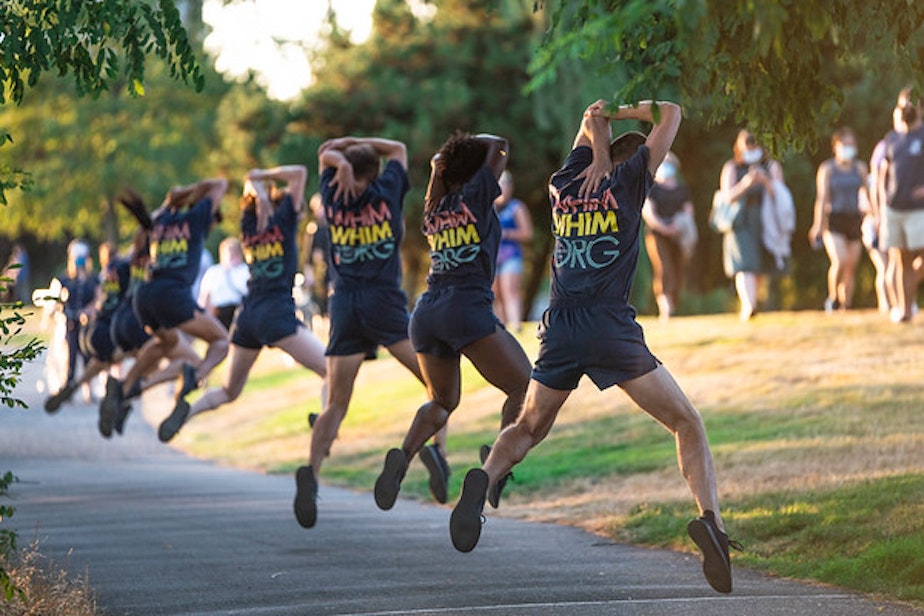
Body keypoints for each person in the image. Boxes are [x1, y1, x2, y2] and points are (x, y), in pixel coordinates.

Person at [448, 99, 738, 595]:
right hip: (610, 328)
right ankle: (710, 521)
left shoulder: (562, 186)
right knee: (686, 422)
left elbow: (588, 116)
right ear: (637, 161)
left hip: (560, 326)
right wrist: (625, 116)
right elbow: (671, 112)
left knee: (529, 426)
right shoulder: (630, 183)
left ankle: (486, 476)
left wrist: (599, 136)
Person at [373, 131, 531, 514]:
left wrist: (449, 154)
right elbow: (500, 144)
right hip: (466, 308)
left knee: (442, 401)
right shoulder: (478, 197)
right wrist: (472, 148)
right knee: (524, 386)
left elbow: (441, 166)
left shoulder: (435, 206)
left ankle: (404, 456)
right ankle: (497, 464)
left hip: (426, 314)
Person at [298, 136, 446, 529]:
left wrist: (339, 161)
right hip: (385, 305)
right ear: (376, 173)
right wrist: (355, 148)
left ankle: (311, 476)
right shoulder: (385, 190)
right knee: (436, 386)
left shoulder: (331, 192)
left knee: (336, 403)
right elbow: (398, 147)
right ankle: (436, 452)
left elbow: (323, 151)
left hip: (344, 305)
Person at [157, 166, 328, 453]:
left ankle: (187, 413)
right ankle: (325, 426)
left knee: (228, 391)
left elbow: (260, 194)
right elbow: (299, 172)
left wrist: (256, 183)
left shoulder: (248, 227)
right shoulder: (284, 222)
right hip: (277, 316)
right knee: (331, 371)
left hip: (247, 317)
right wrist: (262, 176)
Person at [100, 178, 230, 433]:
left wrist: (177, 196)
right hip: (172, 297)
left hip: (145, 298)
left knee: (165, 343)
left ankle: (125, 387)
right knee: (221, 342)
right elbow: (219, 185)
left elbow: (172, 200)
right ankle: (195, 378)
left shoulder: (160, 220)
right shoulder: (195, 218)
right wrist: (194, 195)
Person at [718, 130, 785, 320]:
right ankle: (749, 306)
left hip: (765, 219)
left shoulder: (771, 167)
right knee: (744, 264)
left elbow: (781, 195)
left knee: (759, 266)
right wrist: (746, 184)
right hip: (740, 220)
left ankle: (753, 302)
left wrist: (765, 181)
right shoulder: (732, 167)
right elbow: (727, 196)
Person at [808, 128, 869, 313]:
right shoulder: (827, 169)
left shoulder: (860, 168)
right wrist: (817, 225)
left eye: (852, 144)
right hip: (833, 219)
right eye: (845, 144)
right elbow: (822, 198)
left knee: (851, 266)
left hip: (854, 218)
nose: (848, 148)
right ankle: (833, 297)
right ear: (836, 147)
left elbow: (868, 192)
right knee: (840, 260)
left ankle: (846, 305)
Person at [879, 87, 924, 323]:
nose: (907, 107)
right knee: (901, 262)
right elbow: (882, 174)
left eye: (911, 103)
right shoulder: (892, 139)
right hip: (894, 208)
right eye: (903, 103)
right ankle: (904, 311)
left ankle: (907, 302)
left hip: (919, 209)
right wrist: (880, 207)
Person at [642, 151, 696, 320]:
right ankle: (665, 307)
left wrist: (677, 228)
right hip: (657, 234)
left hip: (678, 235)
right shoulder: (652, 188)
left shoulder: (682, 189)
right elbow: (648, 212)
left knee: (678, 269)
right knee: (664, 268)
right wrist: (664, 228)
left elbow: (688, 212)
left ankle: (673, 302)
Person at [491, 171, 533, 332]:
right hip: (493, 257)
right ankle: (500, 328)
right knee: (495, 294)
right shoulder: (488, 208)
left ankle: (515, 325)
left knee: (510, 289)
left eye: (506, 184)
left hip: (511, 255)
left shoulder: (516, 207)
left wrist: (507, 233)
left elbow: (527, 233)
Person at [55, 240, 98, 393]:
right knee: (70, 355)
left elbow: (97, 298)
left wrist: (88, 311)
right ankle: (68, 386)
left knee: (87, 355)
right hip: (70, 322)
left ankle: (88, 389)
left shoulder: (93, 279)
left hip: (86, 325)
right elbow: (56, 299)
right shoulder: (65, 279)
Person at [197, 236, 250, 330]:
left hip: (240, 312)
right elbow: (205, 298)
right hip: (219, 313)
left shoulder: (246, 271)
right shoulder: (214, 272)